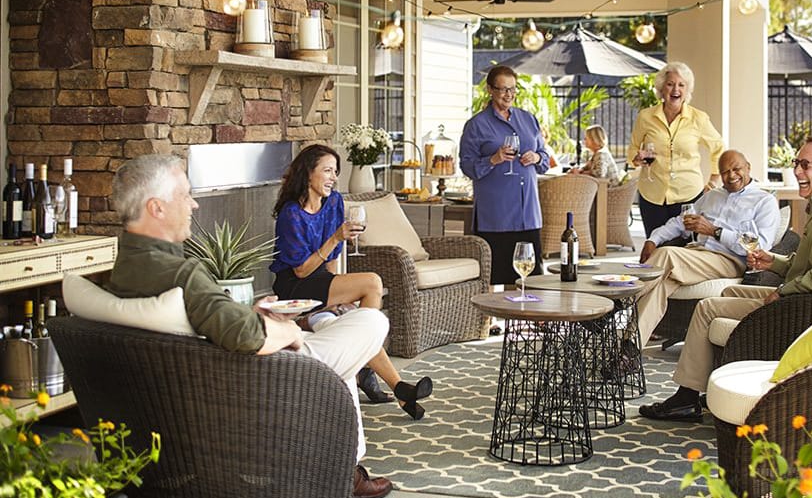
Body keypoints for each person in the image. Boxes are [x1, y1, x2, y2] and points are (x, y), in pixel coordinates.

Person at [106, 154, 394, 498]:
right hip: (260, 379)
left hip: (216, 373)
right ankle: (345, 470)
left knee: (346, 352)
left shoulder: (126, 269)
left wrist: (249, 311)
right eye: (185, 195)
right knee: (370, 322)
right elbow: (245, 335)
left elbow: (212, 318)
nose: (194, 204)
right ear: (156, 208)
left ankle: (346, 468)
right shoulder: (181, 272)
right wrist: (287, 332)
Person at [639, 136, 812, 421]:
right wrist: (775, 261)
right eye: (797, 163)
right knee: (706, 291)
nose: (797, 171)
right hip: (731, 268)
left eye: (805, 164)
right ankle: (698, 384)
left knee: (695, 292)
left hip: (792, 303)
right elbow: (808, 264)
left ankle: (680, 389)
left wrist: (783, 291)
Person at [270, 144, 433, 420]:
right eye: (327, 170)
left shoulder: (333, 202)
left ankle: (398, 388)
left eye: (336, 171)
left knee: (364, 295)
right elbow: (299, 271)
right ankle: (372, 371)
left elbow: (331, 260)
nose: (333, 177)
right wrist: (335, 238)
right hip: (294, 284)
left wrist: (338, 296)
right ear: (308, 173)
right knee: (372, 283)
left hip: (320, 278)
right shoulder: (290, 214)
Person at [633, 150, 780, 346]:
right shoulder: (713, 196)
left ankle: (618, 302)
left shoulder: (764, 201)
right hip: (696, 254)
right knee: (660, 286)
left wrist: (715, 231)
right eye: (725, 171)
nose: (731, 175)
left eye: (736, 169)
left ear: (748, 168)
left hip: (729, 259)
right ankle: (629, 351)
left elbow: (760, 245)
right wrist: (653, 239)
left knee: (667, 254)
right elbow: (680, 222)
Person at [459, 65, 551, 285]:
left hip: (527, 214)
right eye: (503, 89)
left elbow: (545, 159)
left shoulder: (528, 119)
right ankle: (487, 321)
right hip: (496, 217)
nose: (509, 95)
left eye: (512, 89)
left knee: (529, 280)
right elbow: (467, 166)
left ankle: (524, 318)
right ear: (490, 90)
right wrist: (493, 159)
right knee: (493, 280)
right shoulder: (476, 125)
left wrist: (536, 158)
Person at [627, 62, 724, 237]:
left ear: (687, 91)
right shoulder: (645, 117)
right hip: (652, 196)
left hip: (688, 197)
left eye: (681, 85)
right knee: (654, 249)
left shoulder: (698, 118)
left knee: (686, 250)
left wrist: (713, 181)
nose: (675, 90)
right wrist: (636, 159)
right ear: (661, 89)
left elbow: (719, 148)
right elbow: (633, 149)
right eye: (670, 84)